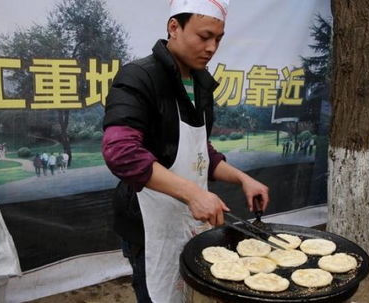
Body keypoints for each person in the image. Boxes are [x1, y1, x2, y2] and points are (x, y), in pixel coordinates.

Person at [101, 1, 269, 302]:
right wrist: (193, 194)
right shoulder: (139, 77)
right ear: (174, 27)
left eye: (218, 38)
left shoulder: (201, 82)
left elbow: (199, 151)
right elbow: (120, 152)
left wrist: (242, 178)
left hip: (190, 221)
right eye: (204, 36)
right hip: (147, 224)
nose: (212, 47)